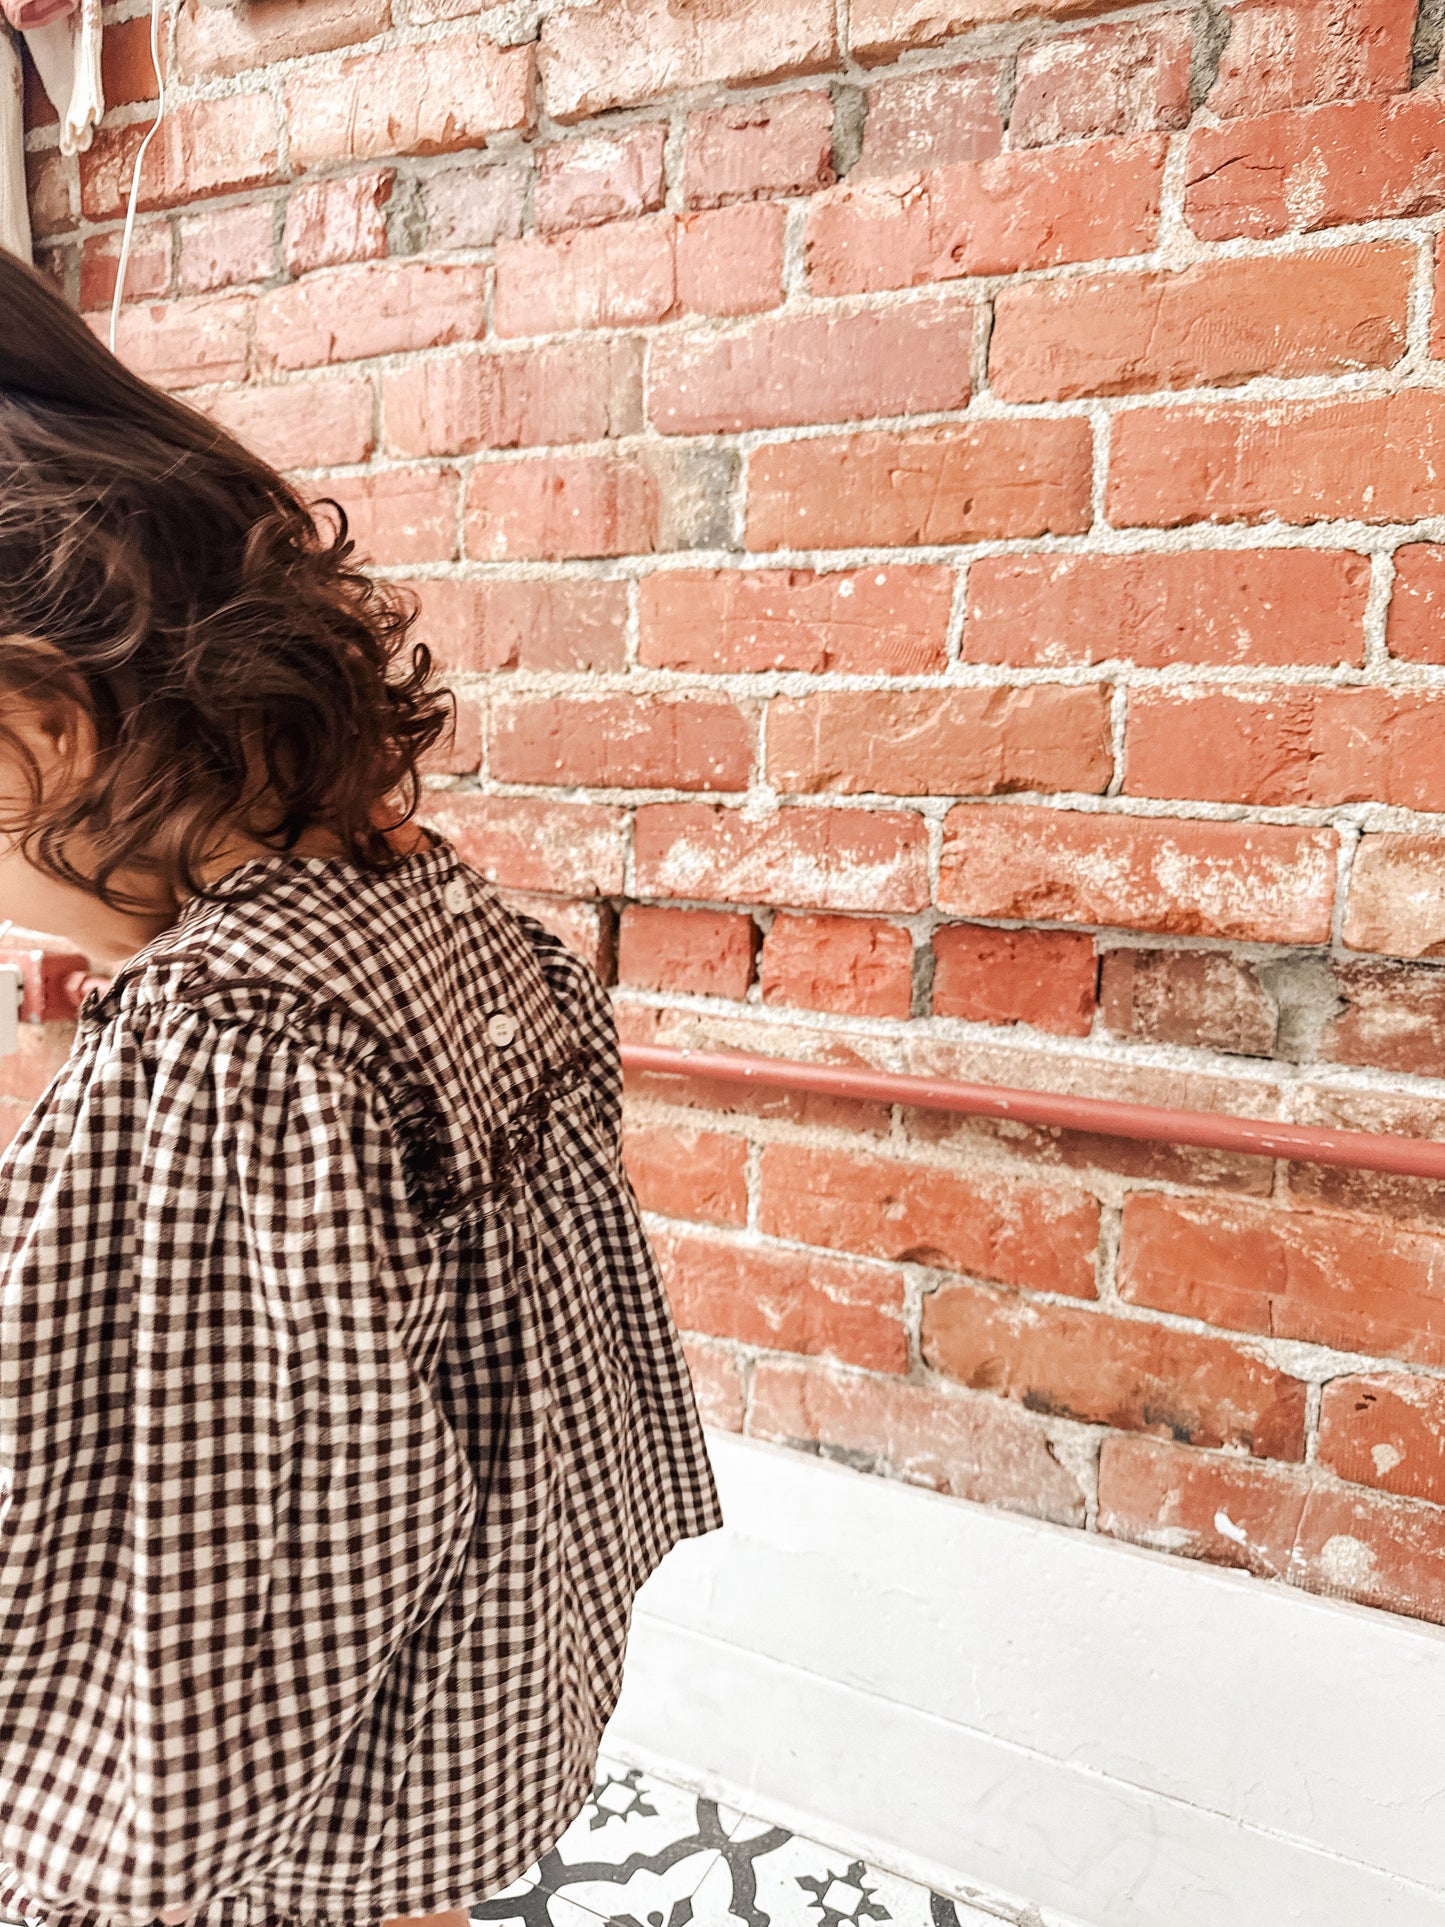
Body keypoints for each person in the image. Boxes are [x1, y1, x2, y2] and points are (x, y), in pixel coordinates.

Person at [0, 250, 725, 1927]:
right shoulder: (452, 917)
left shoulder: (227, 1050)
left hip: (280, 1807)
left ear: (45, 729)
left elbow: (172, 1556)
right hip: (465, 1703)